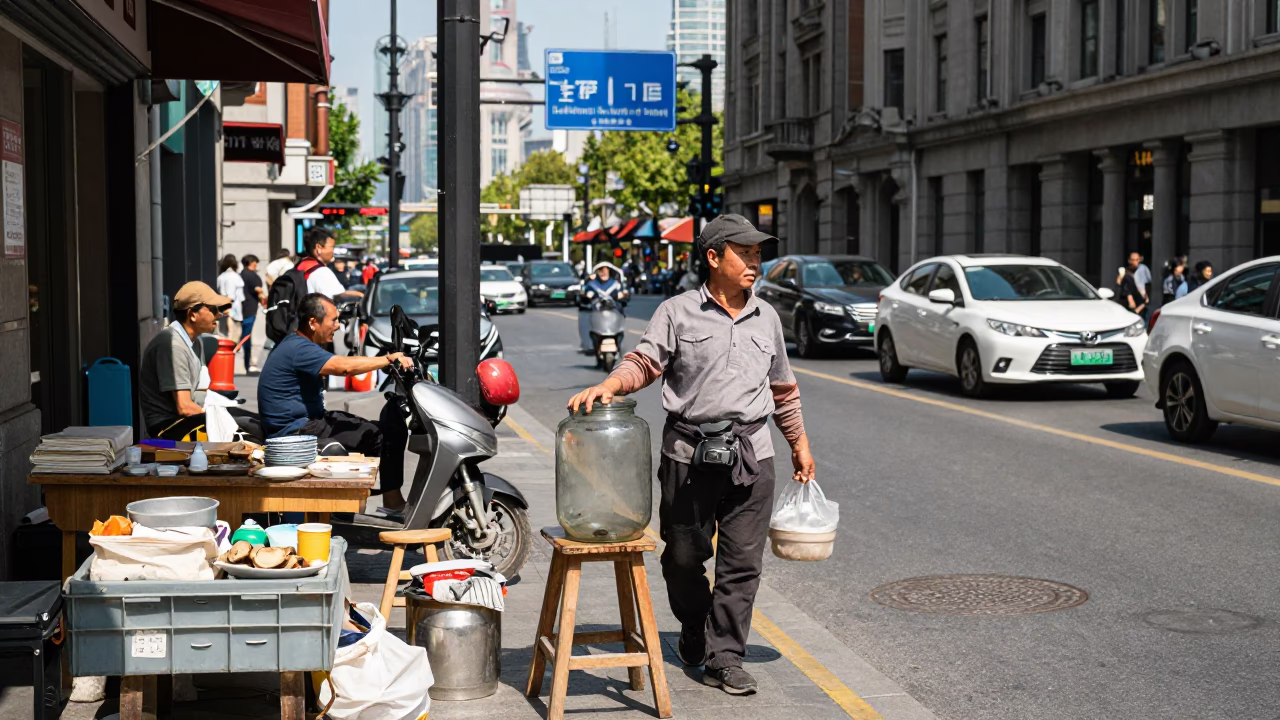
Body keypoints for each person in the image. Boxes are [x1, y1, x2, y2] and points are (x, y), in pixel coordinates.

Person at [566, 214, 815, 696]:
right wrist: (610, 384)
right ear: (714, 257)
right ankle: (694, 625)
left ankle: (726, 657)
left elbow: (783, 389)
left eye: (759, 253)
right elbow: (644, 362)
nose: (755, 262)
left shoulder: (768, 318)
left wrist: (799, 443)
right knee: (682, 558)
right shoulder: (677, 311)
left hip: (752, 455)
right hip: (688, 456)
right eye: (745, 252)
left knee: (742, 564)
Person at [257, 293, 414, 511]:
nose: (338, 326)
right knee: (376, 436)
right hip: (296, 431)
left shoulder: (298, 344)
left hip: (309, 422)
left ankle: (369, 502)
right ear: (313, 322)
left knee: (380, 429)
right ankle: (380, 504)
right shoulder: (299, 348)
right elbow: (344, 367)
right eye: (333, 320)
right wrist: (387, 359)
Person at [138, 282, 258, 440]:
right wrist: (219, 417)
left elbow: (200, 392)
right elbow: (184, 407)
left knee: (255, 421)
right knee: (250, 432)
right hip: (168, 427)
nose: (219, 315)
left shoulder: (196, 341)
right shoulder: (172, 345)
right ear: (192, 314)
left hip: (191, 417)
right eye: (213, 309)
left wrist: (224, 407)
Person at [302, 228, 363, 299]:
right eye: (331, 247)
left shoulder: (301, 264)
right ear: (318, 248)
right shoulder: (321, 272)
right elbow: (340, 295)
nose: (333, 251)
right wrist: (362, 296)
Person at [240, 254, 265, 373]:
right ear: (252, 263)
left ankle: (245, 364)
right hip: (251, 309)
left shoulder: (241, 275)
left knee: (244, 336)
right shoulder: (253, 276)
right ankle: (248, 364)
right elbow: (258, 291)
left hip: (242, 309)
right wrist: (265, 299)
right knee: (248, 337)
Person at [216, 254, 244, 340]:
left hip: (223, 308)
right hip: (232, 311)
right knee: (233, 337)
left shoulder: (221, 276)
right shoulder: (233, 276)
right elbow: (230, 295)